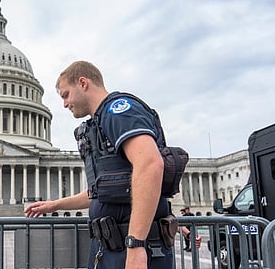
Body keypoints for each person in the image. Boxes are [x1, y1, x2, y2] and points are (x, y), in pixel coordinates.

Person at [25, 61, 173, 268]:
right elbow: (104, 191)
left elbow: (150, 165)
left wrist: (136, 244)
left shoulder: (118, 110)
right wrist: (54, 205)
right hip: (111, 245)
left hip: (131, 245)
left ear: (83, 83)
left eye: (66, 95)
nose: (65, 104)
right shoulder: (100, 123)